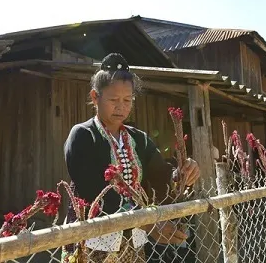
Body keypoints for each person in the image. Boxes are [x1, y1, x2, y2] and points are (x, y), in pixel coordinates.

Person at [63, 53, 201, 263]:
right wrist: (147, 223)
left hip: (134, 244)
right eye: (113, 100)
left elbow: (160, 178)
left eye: (128, 100)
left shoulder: (139, 139)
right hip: (93, 240)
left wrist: (182, 173)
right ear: (94, 97)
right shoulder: (82, 135)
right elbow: (93, 192)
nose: (121, 106)